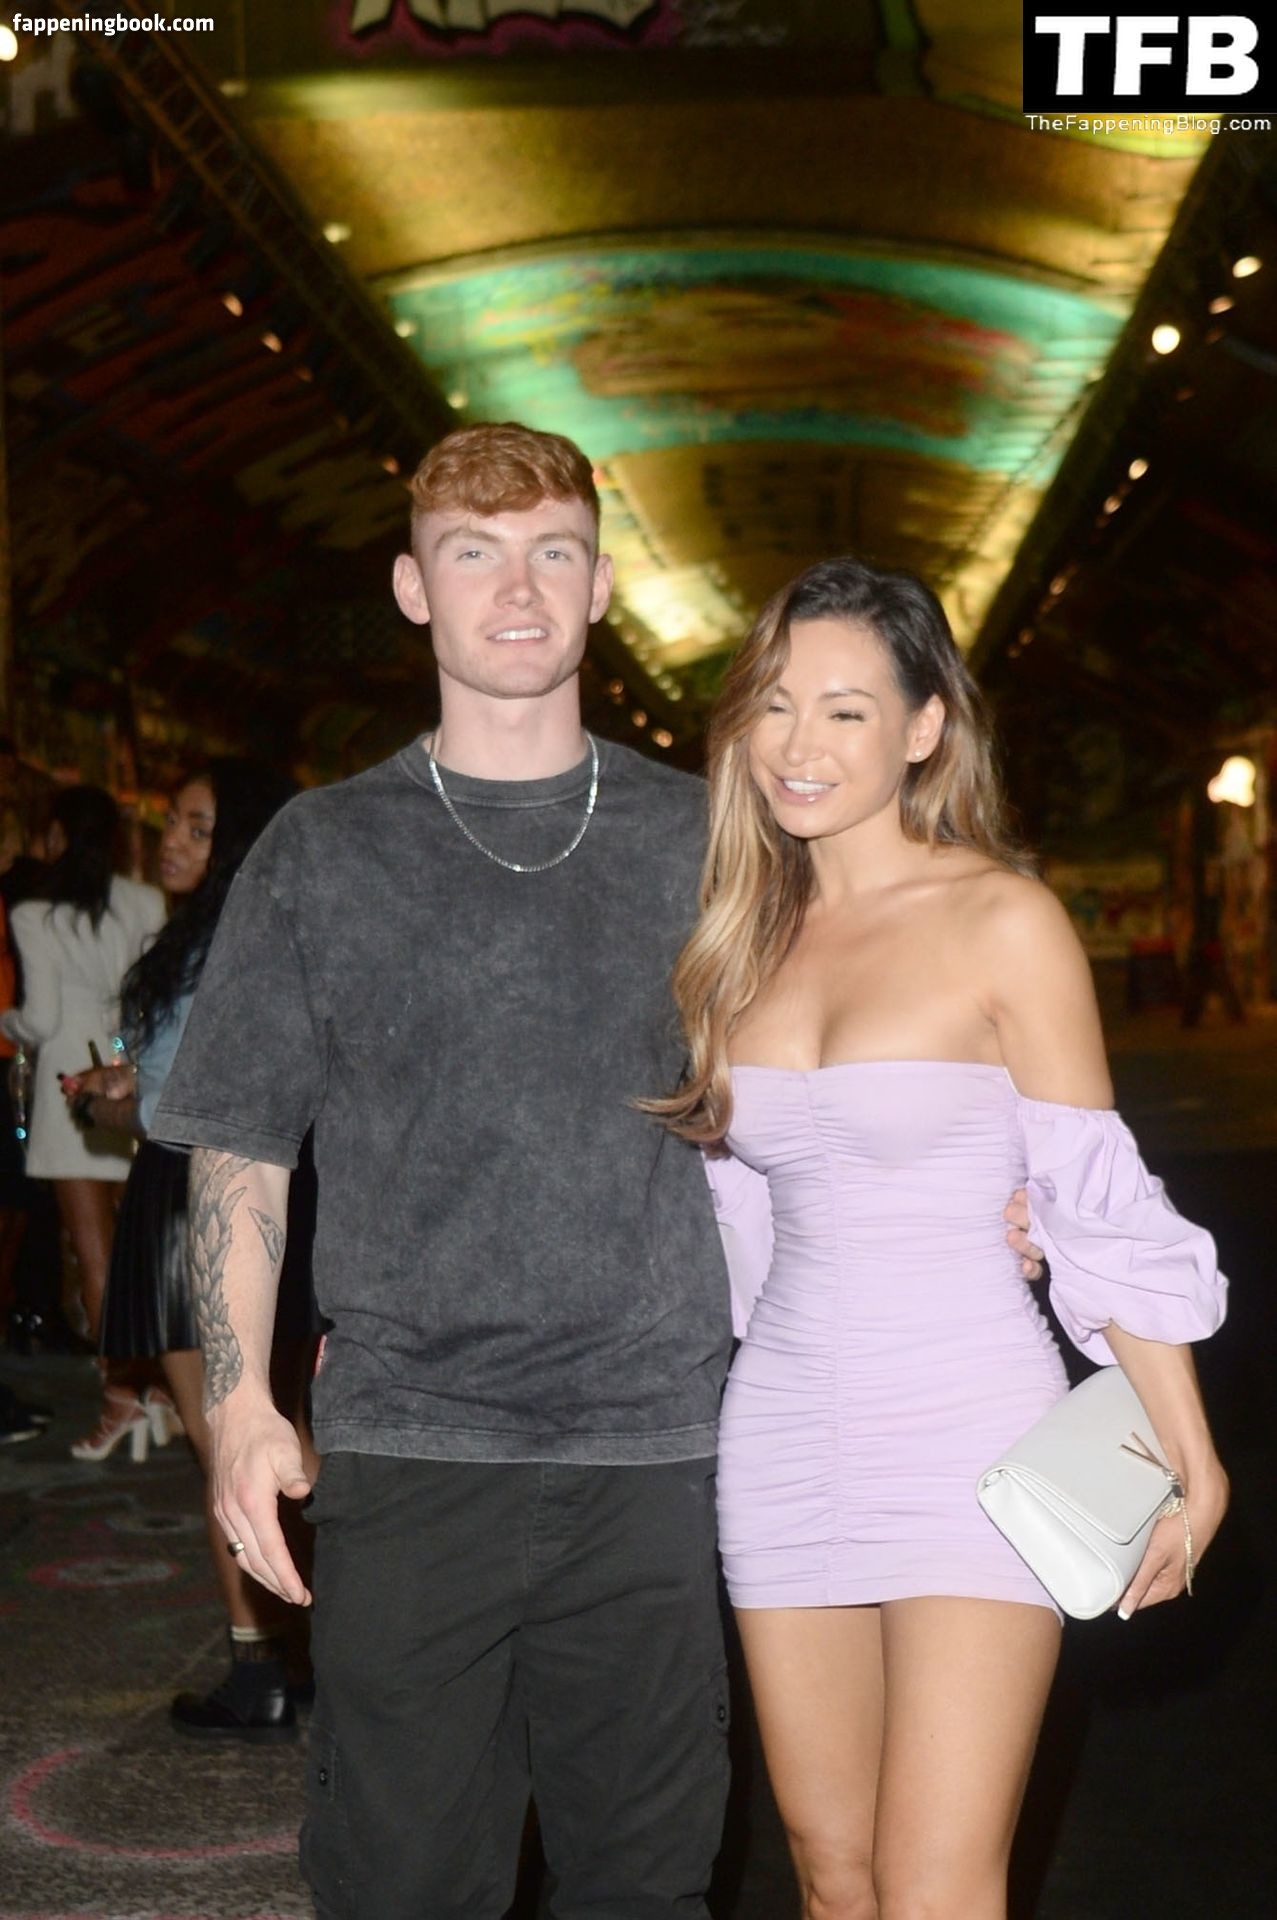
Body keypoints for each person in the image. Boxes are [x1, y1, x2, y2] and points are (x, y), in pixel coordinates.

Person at [149, 424, 1040, 1918]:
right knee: (400, 1887)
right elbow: (242, 1145)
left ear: (601, 586)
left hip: (659, 1457)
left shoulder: (716, 841)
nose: (516, 590)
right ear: (412, 589)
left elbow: (886, 1016)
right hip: (412, 1451)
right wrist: (240, 1405)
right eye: (473, 554)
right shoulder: (321, 850)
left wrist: (982, 1194)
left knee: (644, 1886)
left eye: (551, 553)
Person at [650, 556, 1230, 1920]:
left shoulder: (1002, 920)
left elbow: (1091, 1197)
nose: (798, 743)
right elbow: (728, 1218)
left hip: (969, 1429)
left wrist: (1190, 1460)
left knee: (934, 1883)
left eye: (844, 710)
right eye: (775, 704)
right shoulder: (733, 940)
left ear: (922, 728)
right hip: (782, 1431)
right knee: (830, 1874)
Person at [64, 761, 317, 1741]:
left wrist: (108, 1105)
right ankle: (310, 1653)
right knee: (279, 1435)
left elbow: (186, 1106)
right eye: (173, 820)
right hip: (259, 1192)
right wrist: (130, 1086)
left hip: (193, 1201)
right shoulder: (250, 931)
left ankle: (262, 1667)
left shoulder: (221, 941)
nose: (172, 838)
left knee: (230, 1444)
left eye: (198, 827)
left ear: (239, 842)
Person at [0, 784, 164, 1454]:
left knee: (93, 1252)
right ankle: (157, 1387)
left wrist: (8, 1023)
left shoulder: (35, 913)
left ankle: (122, 1397)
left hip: (69, 1087)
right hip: (129, 1079)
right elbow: (150, 998)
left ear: (60, 836)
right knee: (138, 1248)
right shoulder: (145, 902)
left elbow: (38, 1019)